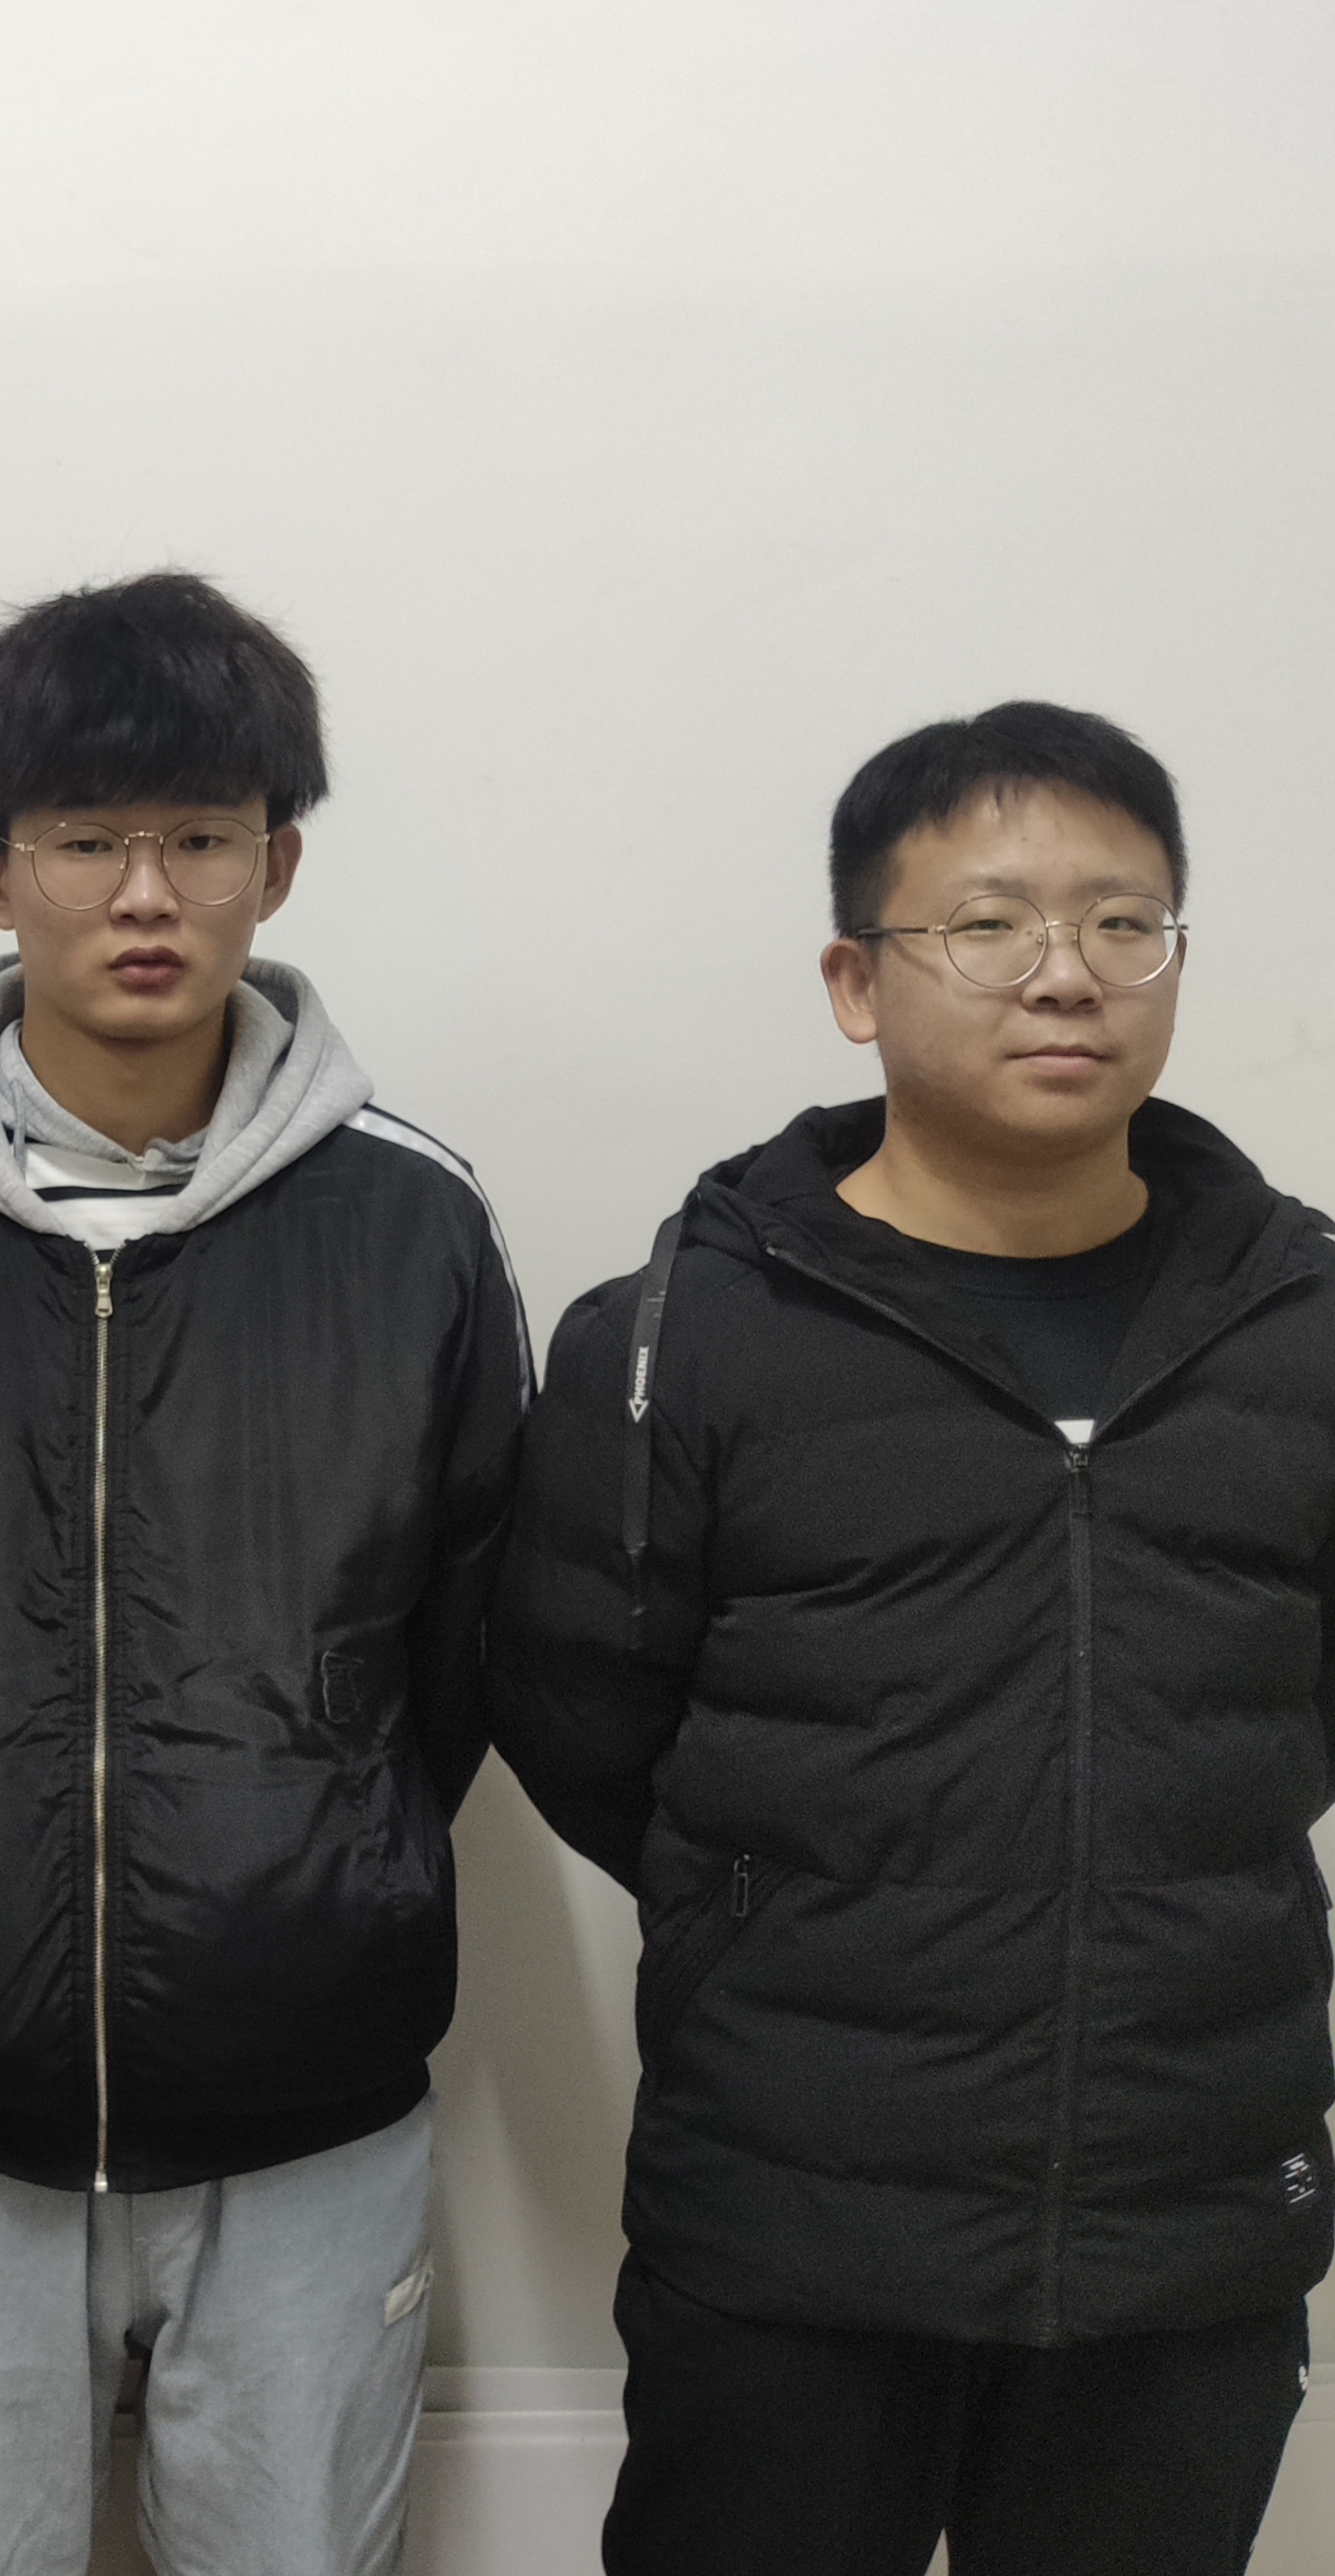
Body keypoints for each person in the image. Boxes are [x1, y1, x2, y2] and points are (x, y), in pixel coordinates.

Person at [0, 575, 528, 2576]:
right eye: (86, 841)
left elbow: (463, 1642)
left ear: (278, 866)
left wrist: (315, 1856)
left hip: (312, 2111)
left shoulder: (411, 1224)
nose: (145, 894)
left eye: (200, 838)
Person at [489, 705, 1329, 2576]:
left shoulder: (1302, 1325)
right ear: (855, 982)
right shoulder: (674, 1338)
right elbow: (580, 1719)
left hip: (1184, 2223)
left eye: (1123, 923)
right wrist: (773, 1907)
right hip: (789, 2223)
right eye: (988, 925)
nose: (1066, 975)